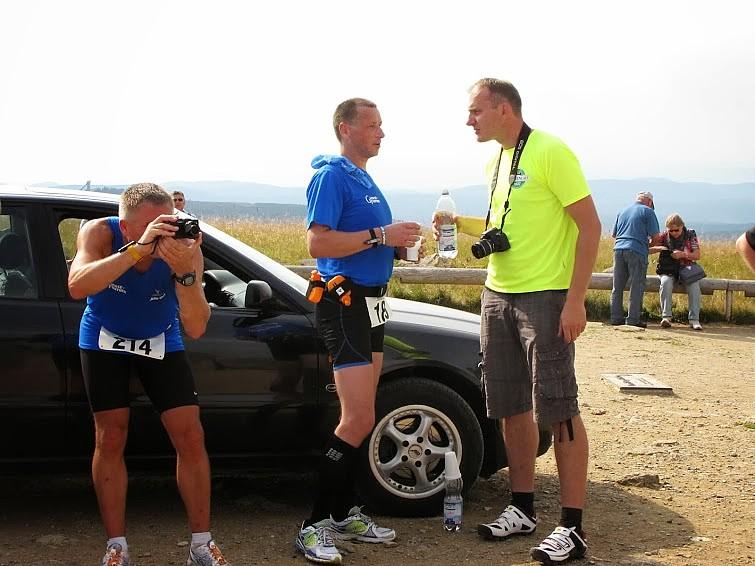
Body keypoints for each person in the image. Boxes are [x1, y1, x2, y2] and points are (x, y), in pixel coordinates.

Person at [434, 78, 601, 564]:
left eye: (476, 111)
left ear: (503, 109)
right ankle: (522, 508)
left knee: (559, 408)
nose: (469, 120)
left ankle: (571, 527)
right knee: (510, 407)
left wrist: (575, 301)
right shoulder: (497, 159)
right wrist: (460, 225)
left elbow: (590, 227)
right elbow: (504, 226)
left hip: (546, 297)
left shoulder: (550, 151)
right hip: (497, 294)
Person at [67, 183, 230, 566]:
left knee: (190, 435)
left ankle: (201, 544)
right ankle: (117, 546)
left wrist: (184, 273)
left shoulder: (183, 245)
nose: (162, 234)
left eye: (167, 224)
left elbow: (196, 326)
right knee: (110, 436)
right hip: (104, 336)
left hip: (161, 336)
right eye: (151, 227)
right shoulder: (100, 232)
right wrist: (136, 250)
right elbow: (77, 285)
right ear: (125, 227)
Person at [296, 98, 422, 564]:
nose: (381, 133)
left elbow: (367, 240)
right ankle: (313, 526)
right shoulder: (331, 175)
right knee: (355, 419)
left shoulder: (364, 178)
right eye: (372, 125)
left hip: (373, 304)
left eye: (382, 125)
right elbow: (318, 241)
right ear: (346, 129)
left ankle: (344, 512)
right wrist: (381, 236)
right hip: (343, 303)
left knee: (364, 416)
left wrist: (397, 247)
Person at [610, 191, 662, 328]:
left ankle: (615, 317)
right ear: (650, 202)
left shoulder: (622, 211)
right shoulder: (648, 212)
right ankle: (633, 319)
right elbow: (656, 237)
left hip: (618, 249)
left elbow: (614, 235)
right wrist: (646, 245)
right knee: (636, 285)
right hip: (636, 250)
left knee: (617, 286)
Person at [650, 213, 704, 330]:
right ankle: (666, 317)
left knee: (694, 286)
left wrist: (683, 255)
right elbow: (649, 249)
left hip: (687, 269)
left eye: (676, 230)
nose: (674, 233)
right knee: (665, 283)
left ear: (682, 226)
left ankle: (694, 319)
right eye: (671, 231)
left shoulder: (690, 234)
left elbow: (697, 255)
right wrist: (659, 248)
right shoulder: (664, 236)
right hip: (668, 269)